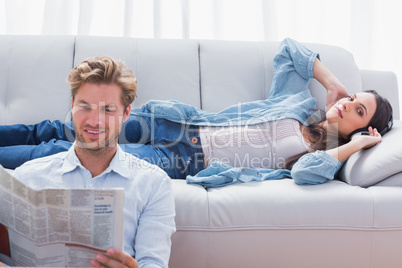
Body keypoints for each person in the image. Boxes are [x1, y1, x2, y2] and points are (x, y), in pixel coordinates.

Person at [0, 38, 393, 186]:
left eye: (358, 109)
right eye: (354, 95)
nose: (347, 103)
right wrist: (331, 83)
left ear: (362, 129)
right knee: (57, 129)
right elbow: (289, 50)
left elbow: (306, 175)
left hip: (180, 159)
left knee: (70, 154)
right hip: (173, 122)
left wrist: (353, 147)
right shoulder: (299, 103)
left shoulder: (320, 157)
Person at [0, 56, 176, 268]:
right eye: (85, 106)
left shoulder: (153, 184)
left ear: (126, 113)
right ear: (72, 105)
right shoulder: (26, 177)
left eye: (108, 109)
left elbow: (153, 263)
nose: (94, 121)